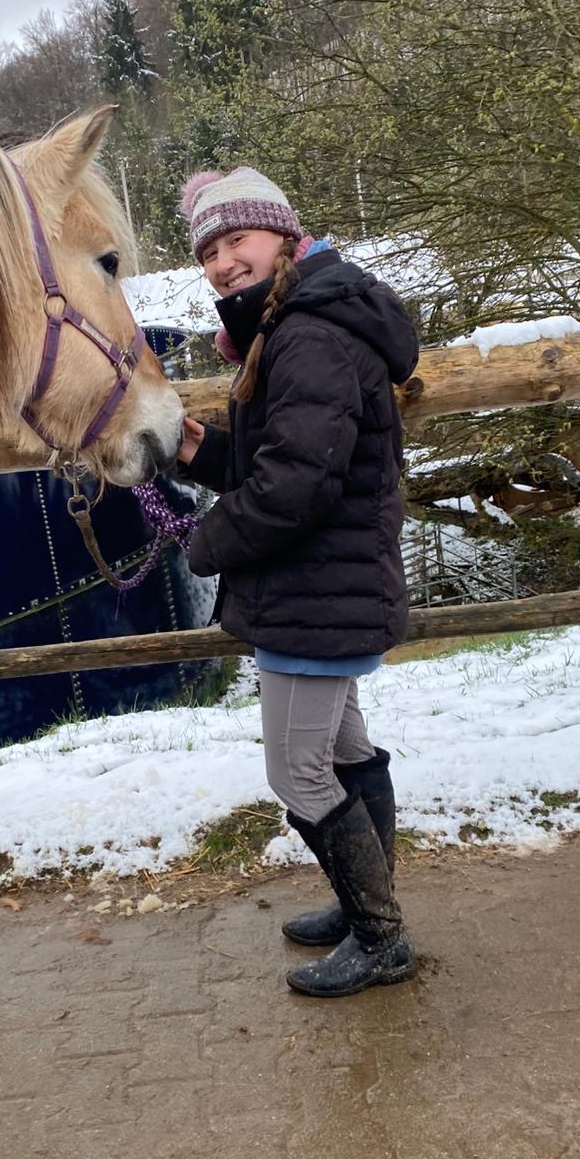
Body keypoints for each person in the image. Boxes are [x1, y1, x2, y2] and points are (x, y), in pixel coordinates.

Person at [175, 166, 420, 998]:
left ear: (282, 233)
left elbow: (295, 487)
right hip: (324, 587)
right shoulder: (298, 321)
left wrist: (205, 542)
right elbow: (279, 457)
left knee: (297, 773)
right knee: (345, 752)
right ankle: (366, 911)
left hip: (314, 590)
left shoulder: (307, 333)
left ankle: (380, 938)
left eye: (235, 239)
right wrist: (196, 449)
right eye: (207, 252)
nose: (221, 264)